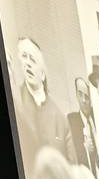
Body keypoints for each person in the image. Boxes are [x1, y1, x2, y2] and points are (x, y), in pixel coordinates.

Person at [10, 35, 70, 170]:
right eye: (24, 56)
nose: (28, 63)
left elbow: (71, 170)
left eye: (33, 59)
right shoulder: (15, 105)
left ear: (43, 74)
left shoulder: (61, 119)